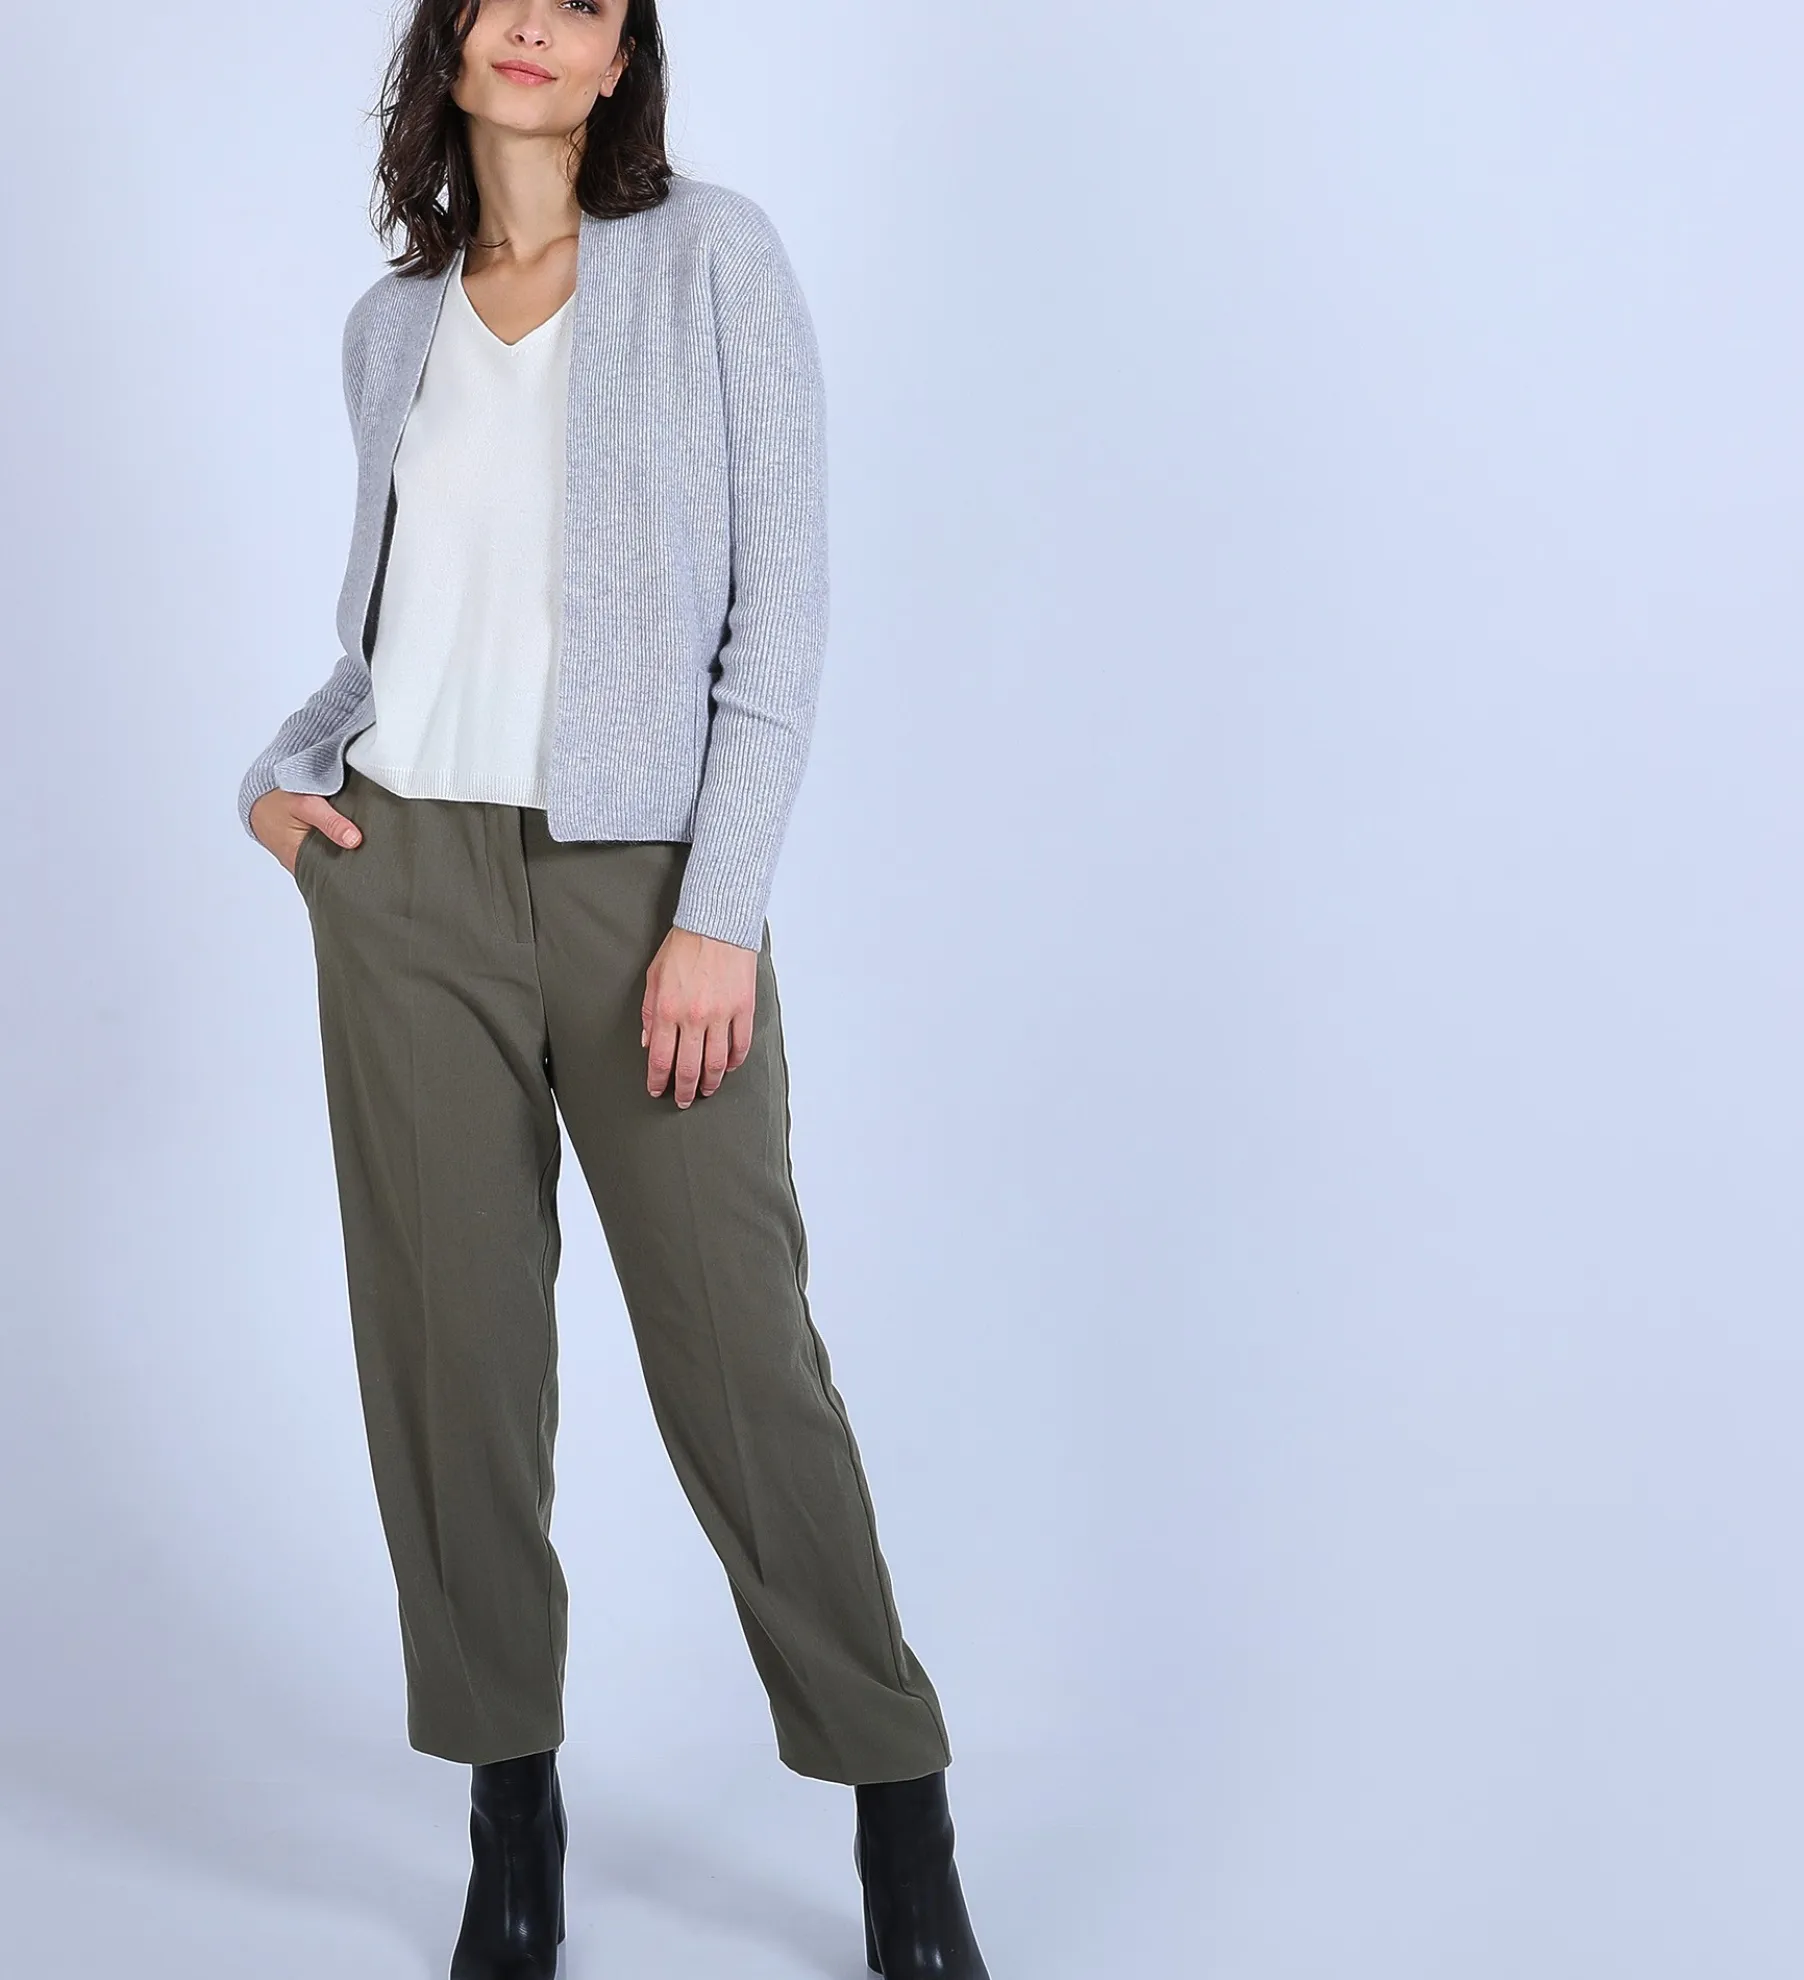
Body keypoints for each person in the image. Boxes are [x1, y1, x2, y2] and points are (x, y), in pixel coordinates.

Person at [235, 5, 991, 1975]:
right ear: (451, 41)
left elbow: (780, 611)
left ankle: (898, 1807)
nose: (537, 27)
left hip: (646, 892)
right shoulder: (390, 327)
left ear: (619, 53)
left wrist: (718, 912)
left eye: (583, 3)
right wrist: (283, 781)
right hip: (408, 883)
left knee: (742, 1363)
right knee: (451, 1369)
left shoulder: (712, 258)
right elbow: (392, 635)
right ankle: (513, 1817)